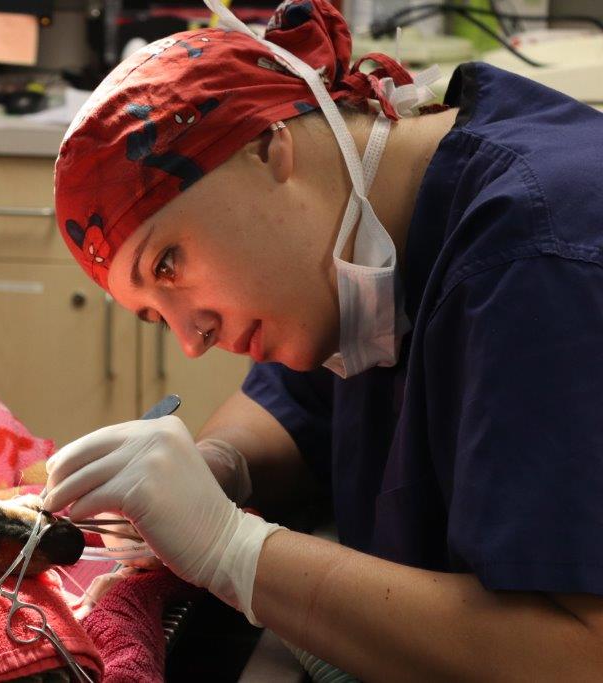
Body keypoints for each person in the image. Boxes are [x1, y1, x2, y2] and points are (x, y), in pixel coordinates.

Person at [42, 0, 603, 678]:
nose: (192, 340)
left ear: (268, 147)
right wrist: (217, 466)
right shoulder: (364, 245)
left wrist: (231, 547)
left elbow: (574, 653)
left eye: (169, 265)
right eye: (157, 315)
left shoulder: (535, 256)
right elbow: (293, 409)